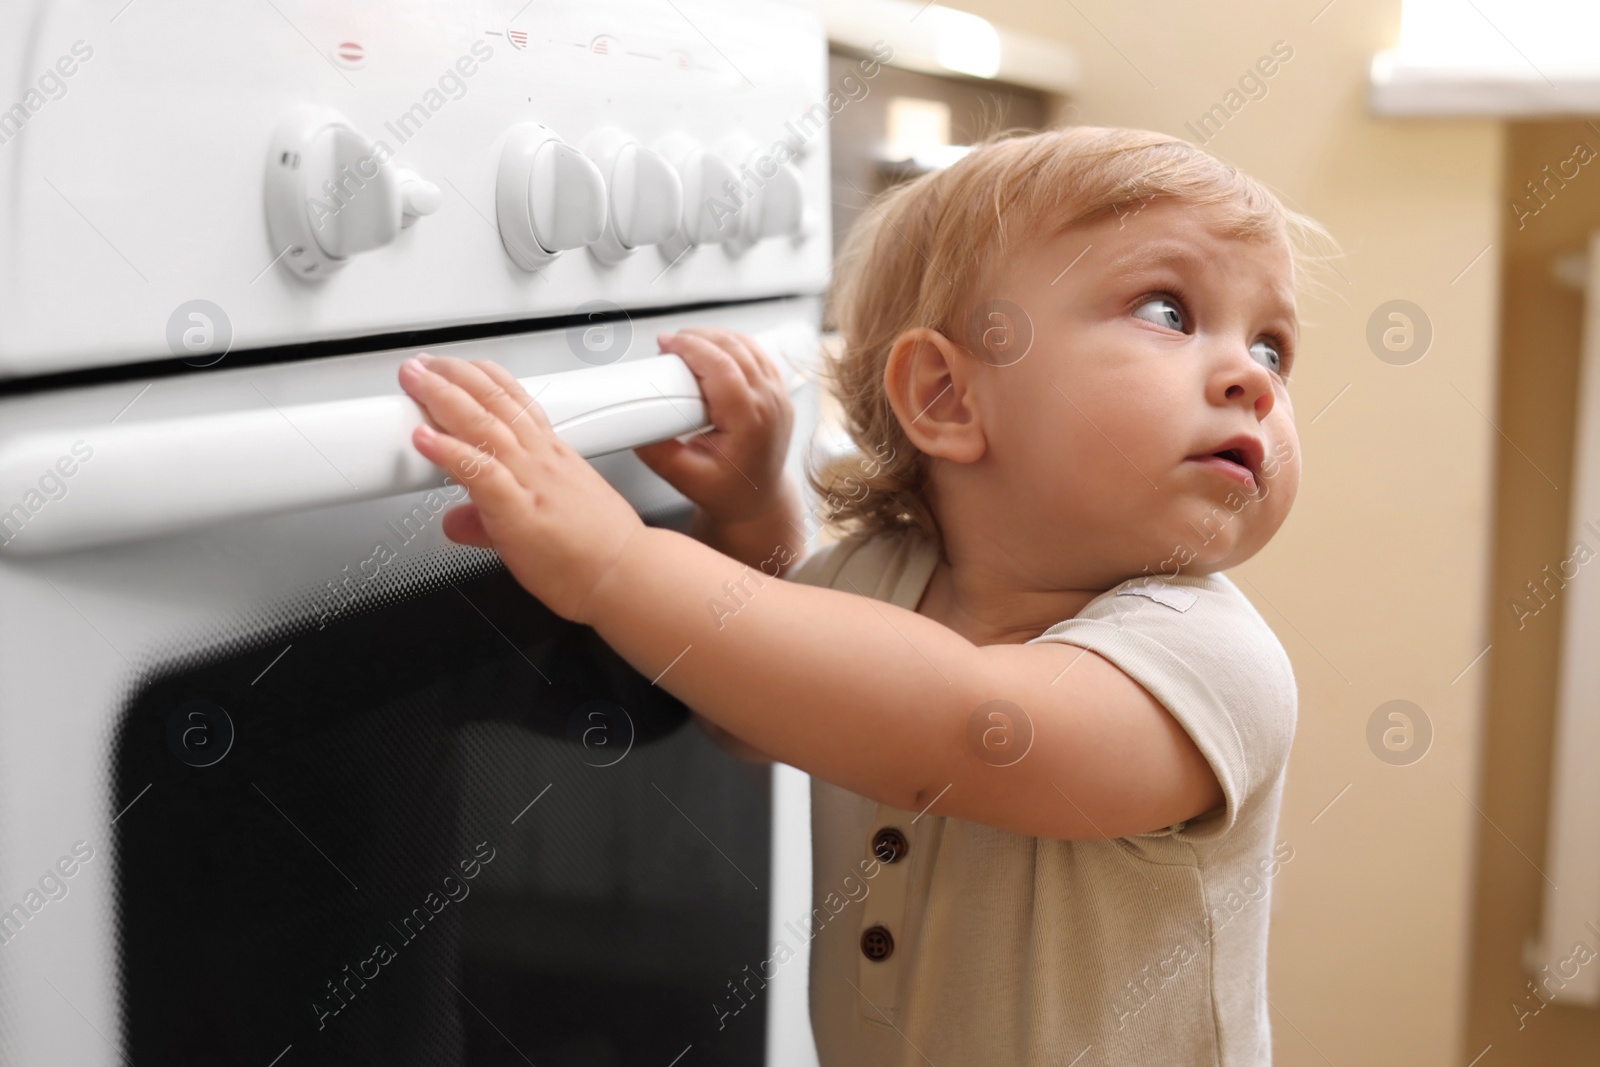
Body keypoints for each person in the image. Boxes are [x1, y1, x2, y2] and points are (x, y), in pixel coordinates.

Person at [396, 124, 1333, 1065]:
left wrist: (613, 564)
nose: (1251, 375)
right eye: (1169, 312)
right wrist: (754, 515)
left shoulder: (1213, 659)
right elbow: (753, 710)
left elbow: (976, 727)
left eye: (1274, 347)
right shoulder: (888, 578)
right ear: (947, 396)